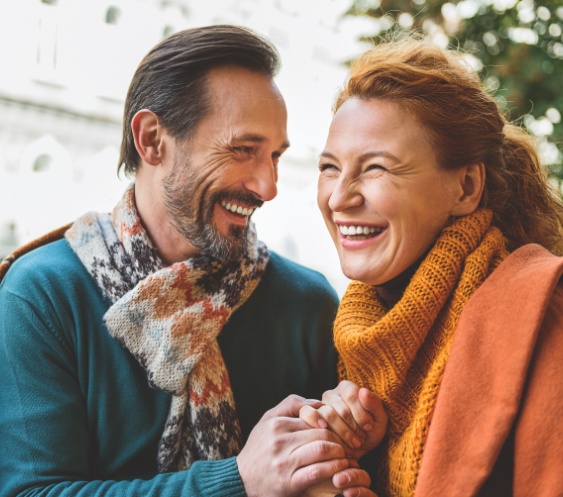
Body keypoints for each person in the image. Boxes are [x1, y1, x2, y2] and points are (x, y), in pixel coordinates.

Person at [0, 25, 379, 497]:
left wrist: (355, 439)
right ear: (153, 139)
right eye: (243, 150)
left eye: (275, 156)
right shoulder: (41, 296)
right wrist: (238, 481)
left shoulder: (307, 304)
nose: (268, 186)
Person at [300, 33, 563, 496]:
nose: (340, 198)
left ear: (465, 188)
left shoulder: (542, 319)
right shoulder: (359, 339)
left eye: (377, 168)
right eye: (329, 168)